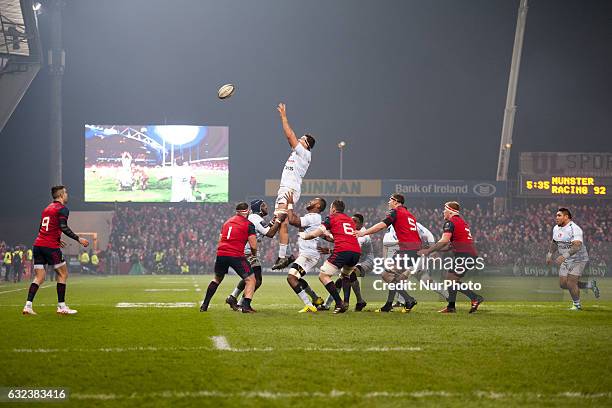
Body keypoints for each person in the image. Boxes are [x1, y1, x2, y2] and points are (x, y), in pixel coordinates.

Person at [23, 186, 89, 315]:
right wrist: (78, 239)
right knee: (63, 274)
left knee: (39, 277)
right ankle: (61, 306)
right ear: (61, 195)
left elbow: (42, 228)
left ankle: (28, 306)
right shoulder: (62, 209)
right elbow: (63, 227)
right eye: (65, 193)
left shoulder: (46, 209)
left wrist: (56, 239)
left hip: (38, 244)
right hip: (50, 246)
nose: (67, 195)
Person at [356, 194, 421, 313]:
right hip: (413, 250)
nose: (388, 203)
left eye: (390, 200)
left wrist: (363, 233)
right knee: (394, 277)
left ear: (396, 202)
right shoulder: (409, 214)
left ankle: (409, 299)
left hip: (408, 250)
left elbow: (381, 225)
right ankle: (388, 305)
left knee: (386, 275)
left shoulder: (396, 212)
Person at [271, 103, 316, 270]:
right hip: (284, 188)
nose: (298, 140)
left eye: (302, 139)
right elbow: (290, 138)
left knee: (279, 219)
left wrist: (283, 116)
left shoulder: (305, 154)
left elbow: (289, 135)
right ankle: (283, 256)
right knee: (281, 223)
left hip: (290, 189)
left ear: (307, 145)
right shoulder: (297, 153)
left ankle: (283, 255)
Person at [418, 201, 483, 313]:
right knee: (450, 279)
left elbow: (444, 241)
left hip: (465, 255)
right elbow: (449, 246)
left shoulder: (450, 223)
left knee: (451, 279)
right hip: (466, 254)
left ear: (450, 211)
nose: (443, 212)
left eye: (445, 210)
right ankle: (451, 307)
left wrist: (428, 250)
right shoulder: (461, 222)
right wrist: (435, 249)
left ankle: (474, 298)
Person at [299, 200, 361, 314]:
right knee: (345, 276)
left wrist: (304, 236)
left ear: (333, 209)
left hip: (343, 250)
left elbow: (314, 233)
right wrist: (326, 237)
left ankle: (339, 303)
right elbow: (336, 237)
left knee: (323, 276)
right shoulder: (350, 220)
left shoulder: (331, 218)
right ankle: (346, 303)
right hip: (356, 252)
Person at [225, 199, 285, 311]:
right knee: (256, 280)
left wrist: (273, 222)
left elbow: (263, 230)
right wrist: (279, 221)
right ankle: (244, 303)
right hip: (247, 252)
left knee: (249, 278)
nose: (267, 208)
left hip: (243, 250)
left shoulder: (253, 218)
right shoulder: (256, 218)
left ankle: (233, 297)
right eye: (264, 206)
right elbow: (270, 233)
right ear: (259, 207)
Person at [200, 202, 258, 313]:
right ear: (246, 211)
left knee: (217, 279)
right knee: (251, 279)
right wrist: (254, 254)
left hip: (221, 254)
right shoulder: (248, 224)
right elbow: (253, 245)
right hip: (236, 254)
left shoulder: (227, 222)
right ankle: (246, 306)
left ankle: (204, 305)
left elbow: (220, 239)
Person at [546, 208, 599, 310]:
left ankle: (577, 305)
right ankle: (589, 285)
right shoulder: (556, 228)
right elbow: (554, 242)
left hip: (579, 258)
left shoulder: (575, 228)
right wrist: (549, 254)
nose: (556, 217)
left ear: (566, 217)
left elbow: (577, 246)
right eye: (556, 215)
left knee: (571, 282)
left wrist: (564, 256)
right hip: (567, 259)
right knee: (563, 284)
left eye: (559, 215)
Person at [283, 192, 327, 313]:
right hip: (308, 254)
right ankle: (316, 299)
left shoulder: (313, 217)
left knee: (291, 278)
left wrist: (290, 204)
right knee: (297, 278)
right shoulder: (313, 217)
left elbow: (292, 220)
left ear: (318, 206)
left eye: (314, 200)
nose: (310, 201)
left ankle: (309, 305)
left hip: (309, 255)